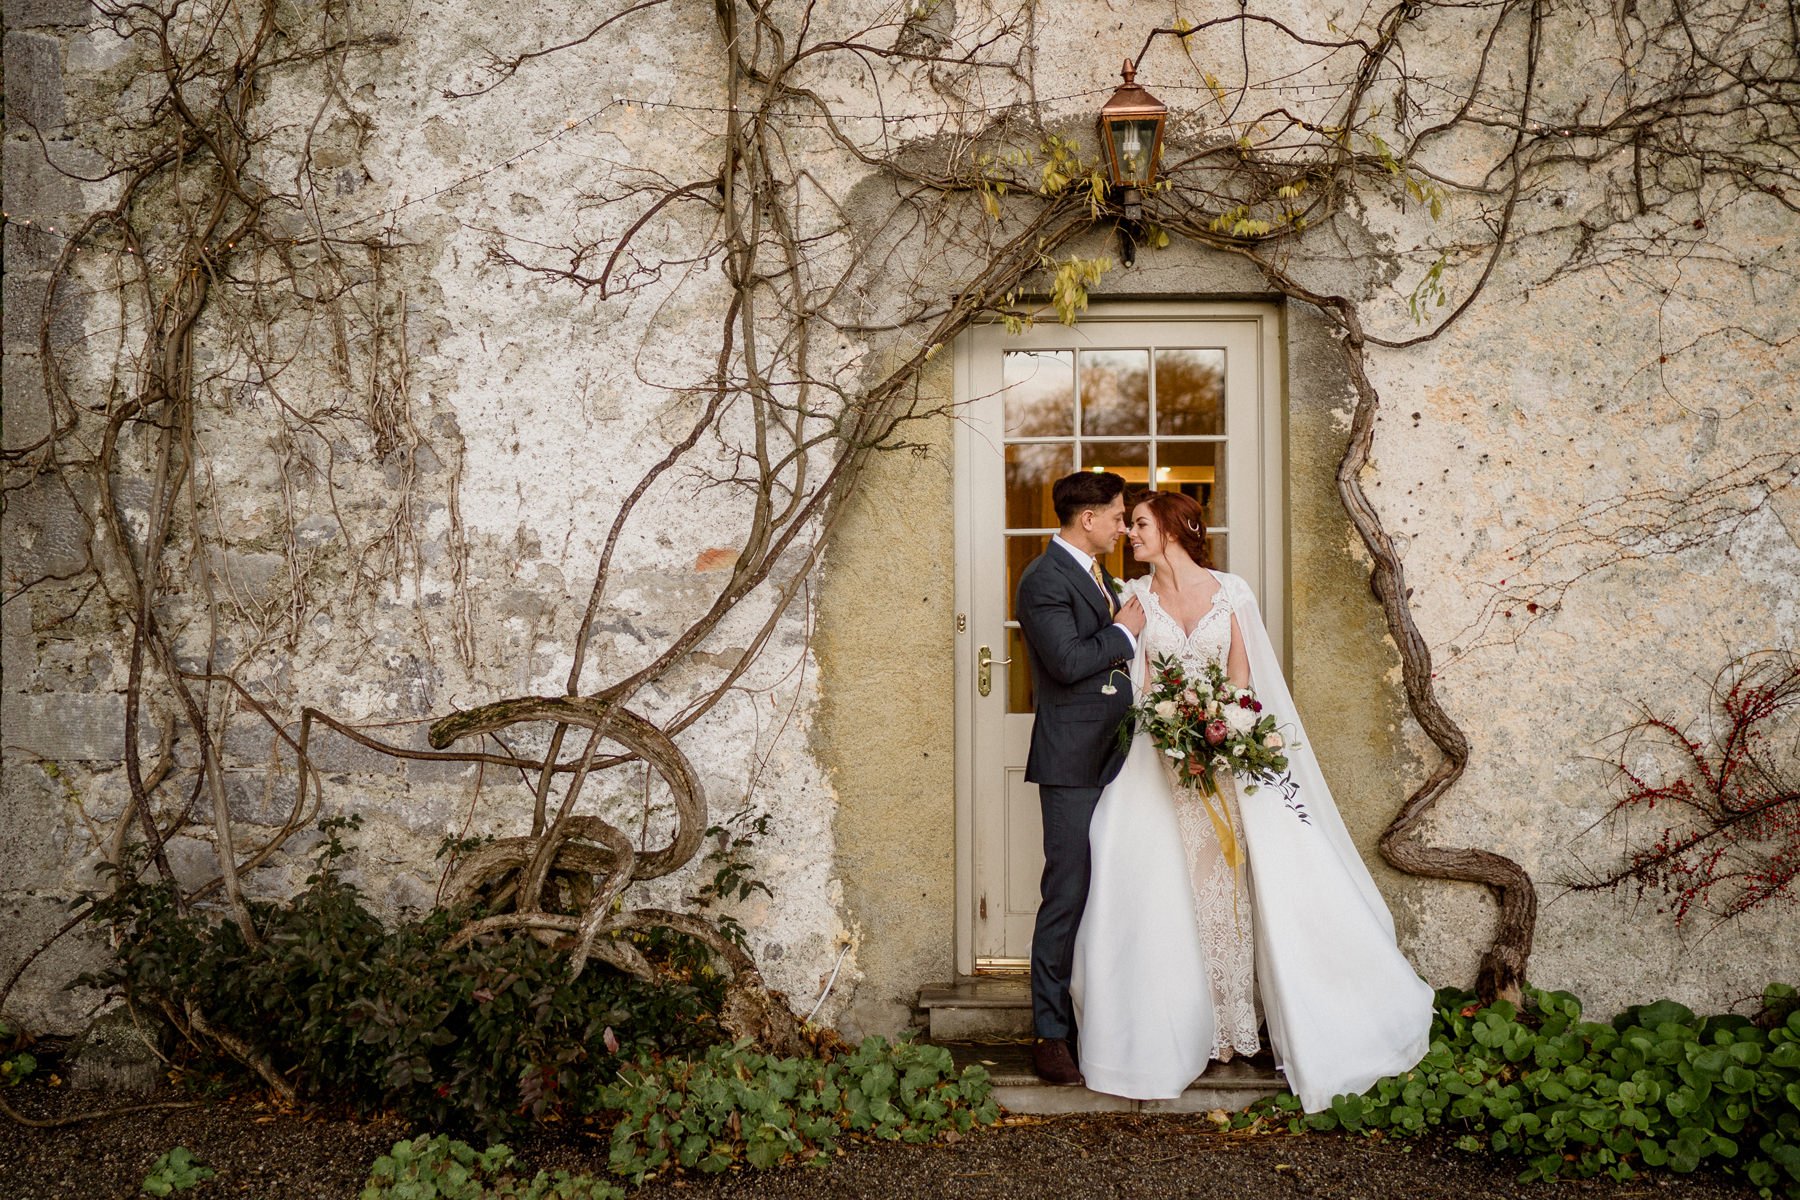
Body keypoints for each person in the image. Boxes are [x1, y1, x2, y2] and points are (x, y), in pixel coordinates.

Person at [1066, 490, 1433, 1110]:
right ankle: (1186, 1028)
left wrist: (1222, 731)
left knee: (1229, 889)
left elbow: (1243, 678)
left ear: (1176, 529)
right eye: (1129, 526)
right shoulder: (1135, 598)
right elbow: (1141, 684)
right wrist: (1170, 730)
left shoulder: (1232, 592)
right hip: (1159, 765)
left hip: (1224, 762)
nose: (1132, 534)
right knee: (1165, 891)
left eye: (1142, 525)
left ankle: (1237, 1027)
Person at [1013, 470, 1147, 1086]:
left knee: (1117, 889)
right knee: (1066, 893)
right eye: (1120, 516)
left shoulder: (1098, 576)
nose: (1125, 527)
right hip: (1072, 760)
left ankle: (1109, 1018)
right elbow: (1067, 663)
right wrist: (1125, 631)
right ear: (1087, 518)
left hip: (1122, 757)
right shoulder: (1044, 579)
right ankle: (1049, 1033)